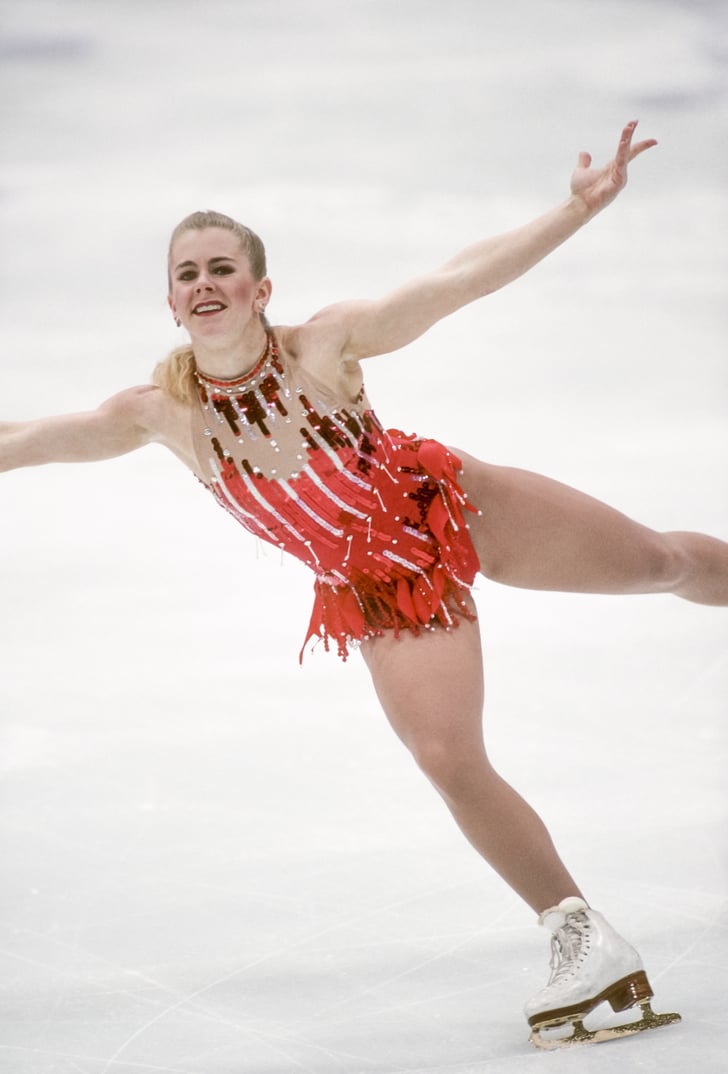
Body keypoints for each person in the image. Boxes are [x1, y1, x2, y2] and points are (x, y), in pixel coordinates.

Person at [2, 120, 726, 1048]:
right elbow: (24, 440)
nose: (205, 284)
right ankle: (581, 937)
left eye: (223, 268)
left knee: (660, 563)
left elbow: (459, 281)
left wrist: (572, 212)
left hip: (452, 505)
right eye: (187, 274)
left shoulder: (323, 345)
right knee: (446, 756)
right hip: (384, 587)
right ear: (171, 303)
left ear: (261, 289)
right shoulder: (160, 414)